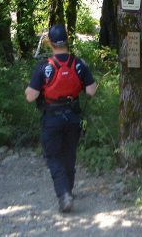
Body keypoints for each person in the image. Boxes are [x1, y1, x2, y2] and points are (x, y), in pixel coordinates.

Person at [25, 24, 97, 213]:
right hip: (73, 116)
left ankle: (64, 194)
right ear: (67, 40)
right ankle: (69, 191)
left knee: (53, 156)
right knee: (69, 155)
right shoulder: (79, 64)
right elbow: (91, 90)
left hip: (52, 118)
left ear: (50, 42)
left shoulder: (45, 67)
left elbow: (30, 96)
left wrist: (33, 88)